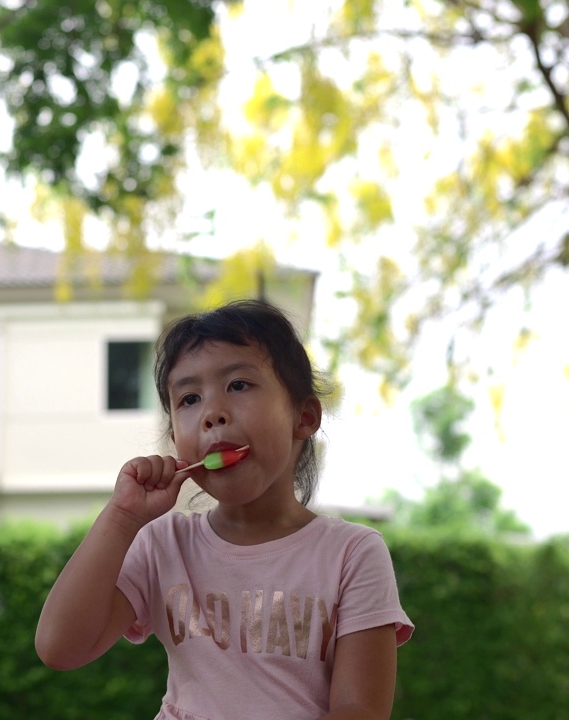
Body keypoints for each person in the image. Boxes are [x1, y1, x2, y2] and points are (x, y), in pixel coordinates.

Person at [35, 299, 413, 720]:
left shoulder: (352, 553)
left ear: (303, 416)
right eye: (190, 398)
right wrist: (123, 517)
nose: (212, 414)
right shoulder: (163, 544)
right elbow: (59, 647)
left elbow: (359, 709)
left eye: (238, 385)